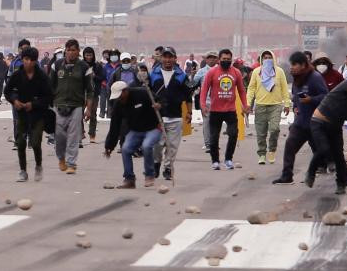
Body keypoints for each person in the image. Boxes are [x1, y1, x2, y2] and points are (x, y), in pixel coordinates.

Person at [273, 51, 329, 185]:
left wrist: (311, 99)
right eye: (291, 64)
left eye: (295, 64)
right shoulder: (297, 78)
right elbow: (296, 96)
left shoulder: (315, 77)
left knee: (319, 149)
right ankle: (287, 175)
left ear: (303, 65)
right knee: (290, 146)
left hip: (315, 122)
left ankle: (326, 167)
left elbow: (326, 96)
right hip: (301, 121)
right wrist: (295, 107)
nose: (292, 67)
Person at [5, 46, 53, 181]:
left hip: (38, 115)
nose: (28, 62)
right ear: (22, 59)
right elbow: (8, 91)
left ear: (35, 61)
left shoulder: (42, 76)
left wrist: (34, 104)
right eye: (25, 59)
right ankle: (23, 170)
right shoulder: (17, 75)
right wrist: (15, 101)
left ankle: (38, 165)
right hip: (21, 114)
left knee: (36, 142)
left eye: (31, 60)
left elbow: (49, 96)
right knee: (20, 142)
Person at [104, 80, 162, 189]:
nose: (120, 99)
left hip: (153, 128)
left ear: (126, 91)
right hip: (135, 130)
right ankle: (129, 179)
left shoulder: (142, 93)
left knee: (146, 146)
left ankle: (150, 174)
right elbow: (114, 126)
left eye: (120, 96)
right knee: (125, 149)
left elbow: (161, 100)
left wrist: (159, 105)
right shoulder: (118, 104)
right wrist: (109, 146)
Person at [148, 46, 191, 184]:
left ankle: (168, 168)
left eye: (170, 57)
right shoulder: (153, 74)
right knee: (157, 145)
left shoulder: (181, 76)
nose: (167, 60)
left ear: (174, 59)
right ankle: (156, 163)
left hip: (175, 116)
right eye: (165, 57)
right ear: (161, 58)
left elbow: (188, 96)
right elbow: (147, 94)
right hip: (157, 117)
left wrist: (189, 112)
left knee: (172, 146)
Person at [199, 49, 247, 170]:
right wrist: (203, 105)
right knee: (214, 137)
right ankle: (215, 161)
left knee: (233, 134)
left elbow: (241, 90)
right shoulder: (212, 72)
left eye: (228, 59)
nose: (226, 61)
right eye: (224, 59)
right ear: (219, 60)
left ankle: (228, 159)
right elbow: (204, 89)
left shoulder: (236, 72)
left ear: (231, 60)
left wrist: (245, 105)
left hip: (230, 110)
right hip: (215, 110)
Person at [50, 39, 90, 175]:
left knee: (73, 136)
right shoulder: (57, 65)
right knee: (59, 136)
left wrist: (88, 108)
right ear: (65, 51)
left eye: (74, 50)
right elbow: (50, 86)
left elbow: (90, 90)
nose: (71, 52)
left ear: (78, 51)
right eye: (68, 50)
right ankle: (61, 158)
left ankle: (71, 163)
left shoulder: (84, 67)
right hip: (59, 104)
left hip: (77, 105)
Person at [247, 48, 291, 165]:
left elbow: (284, 88)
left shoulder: (279, 72)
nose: (267, 60)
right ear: (261, 59)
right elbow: (251, 88)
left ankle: (272, 150)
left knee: (275, 129)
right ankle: (262, 154)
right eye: (265, 58)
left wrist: (287, 104)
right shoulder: (257, 72)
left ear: (273, 58)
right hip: (260, 106)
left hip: (276, 105)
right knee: (261, 133)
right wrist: (248, 103)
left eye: (269, 57)